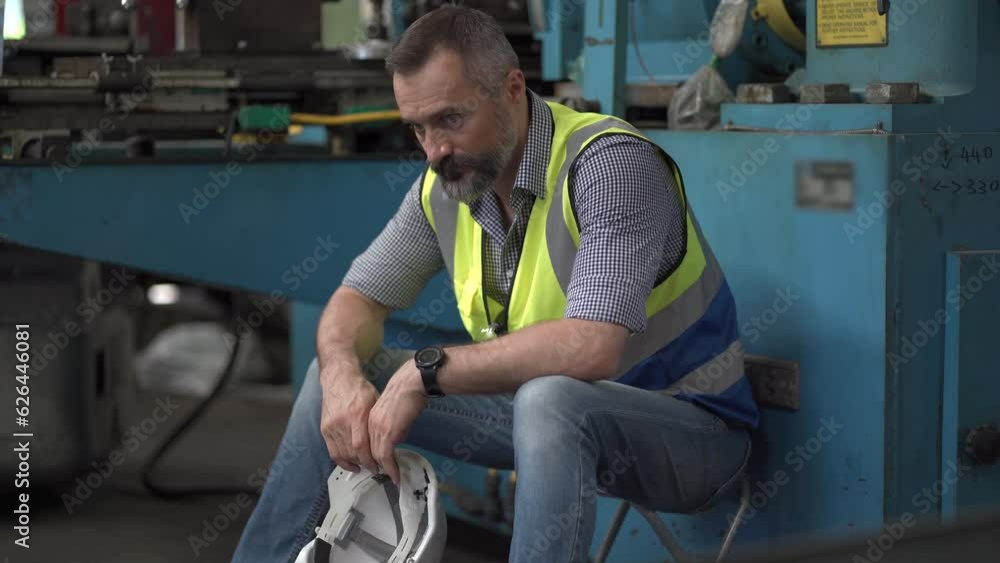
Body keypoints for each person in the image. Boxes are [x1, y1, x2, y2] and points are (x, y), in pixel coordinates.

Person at [232, 5, 759, 563]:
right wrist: (342, 377)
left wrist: (426, 372)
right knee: (335, 372)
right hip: (543, 420)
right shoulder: (448, 186)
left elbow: (595, 344)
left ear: (512, 89)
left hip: (693, 436)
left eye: (450, 119)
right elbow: (356, 300)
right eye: (418, 127)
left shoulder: (609, 165)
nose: (433, 150)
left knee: (549, 400)